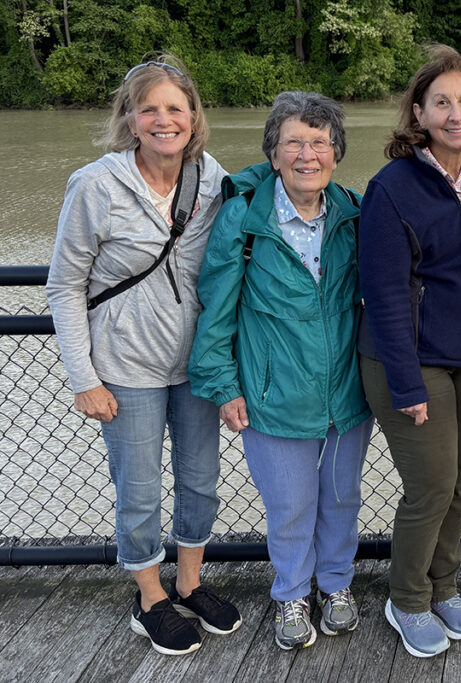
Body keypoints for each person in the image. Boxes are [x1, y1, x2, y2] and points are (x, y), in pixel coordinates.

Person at [45, 56, 241, 656]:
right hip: (125, 369)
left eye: (175, 109)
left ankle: (189, 583)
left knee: (202, 483)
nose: (163, 120)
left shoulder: (212, 179)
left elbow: (244, 247)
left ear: (193, 117)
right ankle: (150, 596)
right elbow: (64, 284)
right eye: (149, 108)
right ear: (130, 118)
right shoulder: (96, 185)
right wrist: (83, 377)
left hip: (197, 367)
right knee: (138, 489)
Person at [189, 91, 373, 651]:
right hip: (271, 395)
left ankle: (336, 585)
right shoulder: (244, 220)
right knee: (290, 506)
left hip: (346, 391)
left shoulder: (357, 213)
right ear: (273, 154)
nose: (307, 154)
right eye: (293, 141)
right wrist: (225, 386)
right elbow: (215, 309)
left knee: (342, 497)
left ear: (336, 152)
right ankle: (292, 591)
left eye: (320, 142)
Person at [357, 45, 461, 658]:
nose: (455, 113)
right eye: (441, 102)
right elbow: (385, 296)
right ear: (418, 112)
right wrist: (407, 384)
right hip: (407, 359)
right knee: (430, 485)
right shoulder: (391, 188)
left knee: (459, 481)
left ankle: (444, 585)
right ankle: (407, 598)